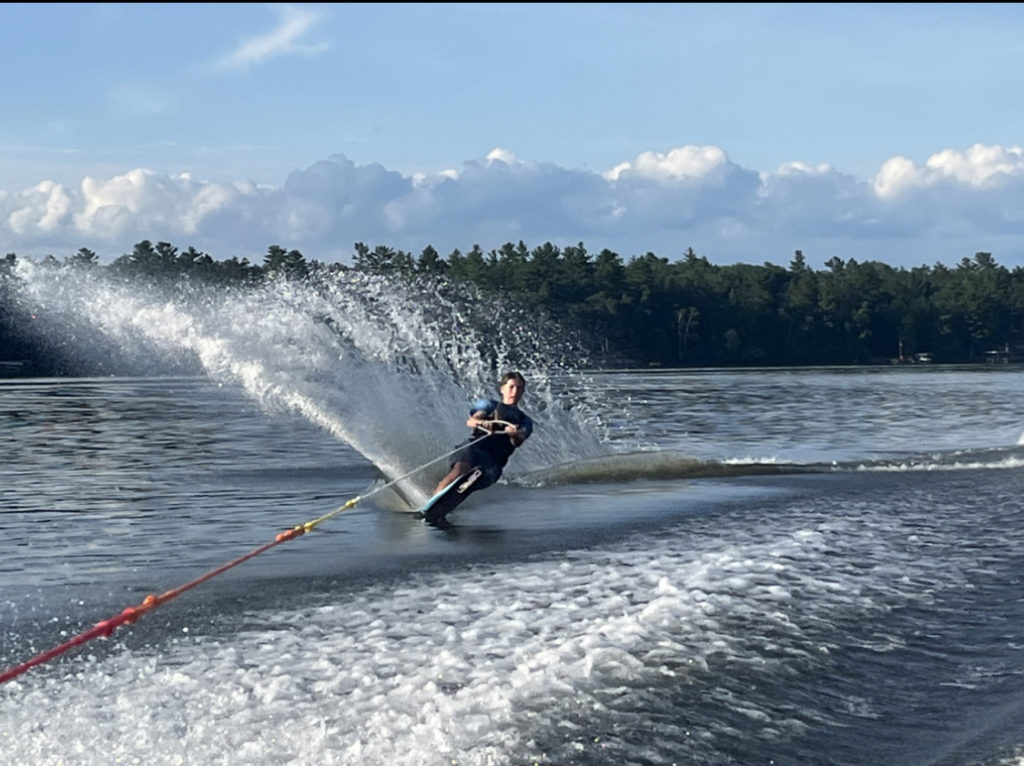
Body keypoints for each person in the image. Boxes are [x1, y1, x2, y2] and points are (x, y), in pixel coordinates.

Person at [433, 371, 534, 497]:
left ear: (523, 392)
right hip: (473, 450)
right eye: (511, 387)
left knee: (470, 482)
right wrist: (482, 423)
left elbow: (518, 441)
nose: (515, 391)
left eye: (519, 388)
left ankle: (446, 502)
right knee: (459, 471)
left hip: (494, 462)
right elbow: (471, 421)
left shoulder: (524, 420)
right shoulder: (489, 406)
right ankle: (435, 497)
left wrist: (514, 434)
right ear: (502, 389)